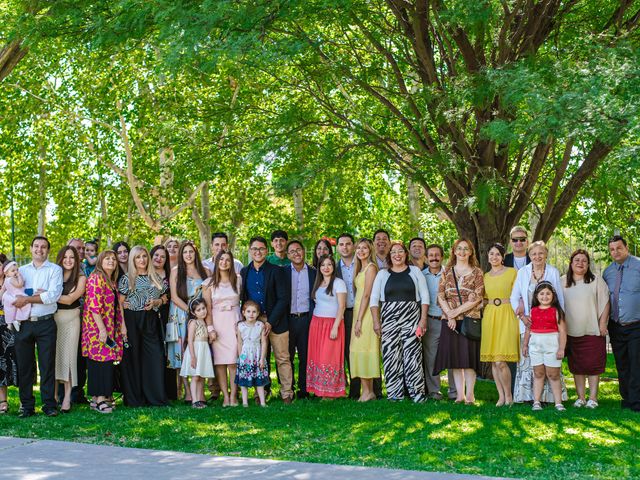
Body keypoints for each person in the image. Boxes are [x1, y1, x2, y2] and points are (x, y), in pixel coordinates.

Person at [370, 241, 429, 402]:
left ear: (405, 254)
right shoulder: (383, 274)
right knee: (391, 357)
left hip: (411, 319)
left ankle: (417, 394)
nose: (397, 254)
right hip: (388, 320)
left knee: (413, 356)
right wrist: (376, 322)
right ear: (390, 255)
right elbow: (374, 300)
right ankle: (395, 395)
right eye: (394, 252)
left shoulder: (415, 271)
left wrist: (423, 320)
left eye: (400, 251)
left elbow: (425, 297)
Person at [510, 240, 567, 403]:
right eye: (534, 254)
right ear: (529, 256)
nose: (537, 256)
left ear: (546, 254)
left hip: (549, 326)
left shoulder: (553, 272)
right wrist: (522, 316)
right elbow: (514, 297)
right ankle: (529, 397)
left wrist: (559, 320)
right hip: (528, 323)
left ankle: (551, 398)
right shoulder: (522, 272)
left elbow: (559, 298)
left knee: (550, 363)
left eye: (541, 253)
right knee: (529, 361)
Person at [13, 236, 63, 417]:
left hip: (46, 323)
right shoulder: (22, 271)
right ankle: (26, 406)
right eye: (36, 246)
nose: (39, 250)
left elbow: (52, 296)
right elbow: (16, 292)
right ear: (31, 248)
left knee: (47, 365)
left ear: (48, 250)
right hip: (24, 324)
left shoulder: (55, 270)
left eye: (43, 247)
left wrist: (27, 297)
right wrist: (36, 294)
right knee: (25, 366)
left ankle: (49, 405)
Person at [240, 236, 293, 404]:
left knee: (282, 357)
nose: (258, 252)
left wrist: (270, 322)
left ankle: (286, 393)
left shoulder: (276, 270)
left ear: (266, 250)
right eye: (255, 249)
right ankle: (261, 393)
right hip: (254, 322)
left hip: (275, 319)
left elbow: (283, 298)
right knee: (258, 357)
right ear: (250, 251)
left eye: (261, 249)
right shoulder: (245, 272)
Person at [433, 239, 484, 405]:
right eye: (459, 249)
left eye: (466, 249)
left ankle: (470, 395)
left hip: (469, 320)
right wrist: (450, 315)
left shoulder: (477, 272)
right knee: (455, 360)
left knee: (468, 359)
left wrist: (455, 312)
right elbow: (440, 295)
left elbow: (477, 297)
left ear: (470, 252)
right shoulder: (446, 272)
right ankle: (460, 395)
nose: (462, 252)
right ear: (454, 251)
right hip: (449, 321)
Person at [118, 245, 168, 407]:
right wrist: (123, 326)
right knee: (133, 359)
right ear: (133, 259)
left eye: (144, 256)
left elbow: (165, 296)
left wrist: (157, 302)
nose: (142, 260)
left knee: (155, 357)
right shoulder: (127, 278)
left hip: (151, 320)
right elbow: (120, 303)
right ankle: (135, 399)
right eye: (138, 257)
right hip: (132, 319)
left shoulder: (156, 278)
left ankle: (155, 397)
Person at [563, 249, 609, 409]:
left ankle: (593, 398)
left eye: (584, 260)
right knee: (577, 366)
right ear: (571, 263)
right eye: (577, 260)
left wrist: (603, 323)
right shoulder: (563, 281)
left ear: (588, 264)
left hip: (593, 330)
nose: (580, 263)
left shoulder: (596, 280)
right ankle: (581, 398)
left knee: (593, 365)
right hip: (571, 331)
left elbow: (605, 302)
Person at [82, 250, 126, 414]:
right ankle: (100, 398)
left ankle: (97, 398)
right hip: (97, 328)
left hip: (109, 327)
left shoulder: (111, 280)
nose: (111, 261)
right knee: (99, 362)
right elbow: (94, 307)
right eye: (107, 258)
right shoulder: (96, 278)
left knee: (106, 362)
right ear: (100, 261)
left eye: (113, 259)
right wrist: (101, 329)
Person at [167, 241, 208, 402]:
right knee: (181, 351)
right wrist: (190, 311)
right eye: (185, 252)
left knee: (200, 349)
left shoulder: (204, 271)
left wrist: (198, 315)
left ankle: (200, 391)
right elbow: (174, 296)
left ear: (195, 253)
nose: (188, 255)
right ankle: (187, 392)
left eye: (191, 252)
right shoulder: (176, 271)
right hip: (180, 312)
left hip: (199, 315)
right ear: (181, 254)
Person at [603, 235, 640, 412]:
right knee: (622, 363)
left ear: (626, 247)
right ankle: (626, 397)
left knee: (636, 363)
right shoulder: (608, 272)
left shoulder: (638, 266)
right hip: (616, 325)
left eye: (619, 248)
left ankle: (636, 400)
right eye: (612, 249)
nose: (615, 252)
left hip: (636, 324)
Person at [481, 243, 519, 406]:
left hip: (507, 313)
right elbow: (482, 298)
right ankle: (501, 396)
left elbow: (519, 294)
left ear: (503, 257)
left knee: (501, 360)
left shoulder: (512, 273)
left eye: (497, 254)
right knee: (493, 361)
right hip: (490, 315)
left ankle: (509, 396)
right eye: (491, 254)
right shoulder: (485, 276)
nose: (494, 257)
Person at [204, 250, 242, 407]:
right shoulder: (209, 283)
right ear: (217, 262)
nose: (224, 262)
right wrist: (210, 328)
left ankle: (234, 395)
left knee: (233, 362)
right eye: (221, 259)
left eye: (227, 260)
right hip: (217, 323)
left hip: (234, 321)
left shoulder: (238, 279)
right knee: (220, 363)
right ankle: (225, 396)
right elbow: (207, 307)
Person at [307, 255, 347, 398]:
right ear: (319, 268)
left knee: (329, 357)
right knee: (318, 357)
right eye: (323, 265)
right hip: (317, 322)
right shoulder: (318, 282)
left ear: (333, 267)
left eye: (329, 264)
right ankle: (319, 390)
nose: (326, 267)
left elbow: (342, 306)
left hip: (332, 323)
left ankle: (331, 392)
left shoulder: (339, 283)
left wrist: (335, 327)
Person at [523, 282, 567, 411]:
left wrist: (561, 348)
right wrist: (525, 345)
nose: (545, 296)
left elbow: (563, 331)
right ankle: (536, 402)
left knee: (553, 374)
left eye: (548, 293)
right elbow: (528, 330)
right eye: (541, 294)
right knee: (538, 373)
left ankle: (558, 403)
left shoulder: (556, 311)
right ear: (536, 296)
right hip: (535, 346)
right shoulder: (532, 311)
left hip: (552, 346)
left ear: (553, 296)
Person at [420, 244, 457, 400]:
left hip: (449, 320)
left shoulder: (450, 274)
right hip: (431, 320)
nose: (434, 258)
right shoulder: (420, 275)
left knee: (452, 356)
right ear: (426, 258)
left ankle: (455, 391)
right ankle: (434, 391)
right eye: (431, 255)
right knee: (431, 357)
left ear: (442, 257)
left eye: (437, 255)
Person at [54, 246, 87, 413]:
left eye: (72, 257)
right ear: (60, 258)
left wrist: (47, 296)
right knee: (52, 358)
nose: (68, 260)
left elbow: (70, 299)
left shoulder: (81, 277)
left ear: (76, 260)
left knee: (68, 359)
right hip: (53, 319)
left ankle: (67, 397)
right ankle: (53, 397)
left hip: (71, 319)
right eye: (65, 257)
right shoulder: (54, 274)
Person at [349, 239, 380, 402]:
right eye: (358, 248)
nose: (361, 250)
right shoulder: (359, 269)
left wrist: (360, 319)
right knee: (357, 350)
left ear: (370, 250)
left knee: (364, 349)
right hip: (358, 312)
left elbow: (367, 295)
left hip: (366, 314)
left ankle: (369, 392)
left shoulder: (371, 268)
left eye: (365, 248)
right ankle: (366, 391)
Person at [285, 240, 316, 399]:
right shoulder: (282, 272)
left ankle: (304, 389)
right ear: (287, 255)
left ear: (304, 251)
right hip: (287, 319)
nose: (296, 253)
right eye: (292, 251)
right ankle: (288, 388)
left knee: (305, 355)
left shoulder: (313, 272)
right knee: (287, 356)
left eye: (298, 250)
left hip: (306, 319)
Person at [150, 244, 176, 401]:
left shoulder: (170, 274)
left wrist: (162, 299)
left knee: (167, 352)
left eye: (162, 256)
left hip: (166, 316)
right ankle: (154, 389)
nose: (159, 259)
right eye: (156, 255)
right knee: (154, 353)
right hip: (148, 317)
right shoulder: (145, 274)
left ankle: (169, 392)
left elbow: (170, 295)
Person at [180, 298, 215, 408]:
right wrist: (193, 357)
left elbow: (204, 338)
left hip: (203, 350)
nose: (202, 311)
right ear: (193, 312)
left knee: (201, 376)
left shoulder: (204, 322)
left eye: (203, 308)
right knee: (195, 376)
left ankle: (200, 399)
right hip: (195, 350)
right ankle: (194, 400)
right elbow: (190, 340)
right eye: (198, 310)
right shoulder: (193, 323)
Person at [335, 233, 358, 398]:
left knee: (362, 350)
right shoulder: (333, 269)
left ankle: (374, 390)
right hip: (341, 315)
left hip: (360, 313)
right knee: (344, 352)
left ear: (354, 245)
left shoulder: (363, 265)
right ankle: (346, 389)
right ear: (337, 247)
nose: (345, 247)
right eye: (341, 244)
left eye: (348, 244)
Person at [235, 300, 269, 407]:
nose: (251, 314)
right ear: (243, 313)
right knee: (243, 380)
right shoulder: (240, 326)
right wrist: (241, 357)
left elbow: (264, 343)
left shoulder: (260, 325)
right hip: (245, 355)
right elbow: (240, 342)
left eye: (254, 312)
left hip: (257, 354)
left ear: (258, 314)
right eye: (248, 311)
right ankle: (245, 402)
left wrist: (262, 358)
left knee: (259, 381)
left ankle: (263, 402)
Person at [0, 253, 18, 414]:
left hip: (12, 328)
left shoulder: (12, 282)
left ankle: (23, 400)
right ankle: (3, 401)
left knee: (17, 362)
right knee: (0, 365)